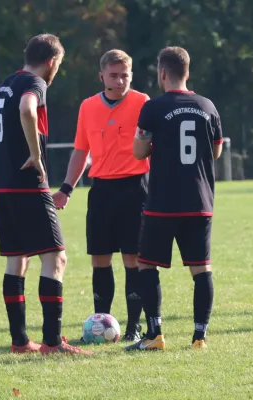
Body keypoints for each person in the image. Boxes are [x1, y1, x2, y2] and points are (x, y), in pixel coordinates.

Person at [0, 33, 92, 355]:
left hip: (2, 185)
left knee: (17, 262)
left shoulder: (3, 85)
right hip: (28, 184)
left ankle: (20, 341)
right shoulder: (35, 83)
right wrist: (35, 155)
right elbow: (28, 110)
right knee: (56, 258)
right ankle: (53, 343)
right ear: (52, 62)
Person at [125, 46, 223, 351]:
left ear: (162, 73)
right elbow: (216, 151)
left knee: (146, 265)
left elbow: (139, 152)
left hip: (163, 202)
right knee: (201, 268)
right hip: (199, 201)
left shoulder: (152, 108)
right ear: (188, 72)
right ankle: (199, 337)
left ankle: (154, 334)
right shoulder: (208, 106)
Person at [52, 49, 149, 342]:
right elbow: (81, 151)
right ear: (102, 76)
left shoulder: (142, 102)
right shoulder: (88, 107)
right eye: (114, 75)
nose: (120, 81)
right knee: (100, 259)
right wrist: (67, 188)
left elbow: (152, 146)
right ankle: (99, 325)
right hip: (102, 191)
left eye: (125, 76)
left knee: (133, 259)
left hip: (135, 188)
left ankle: (133, 327)